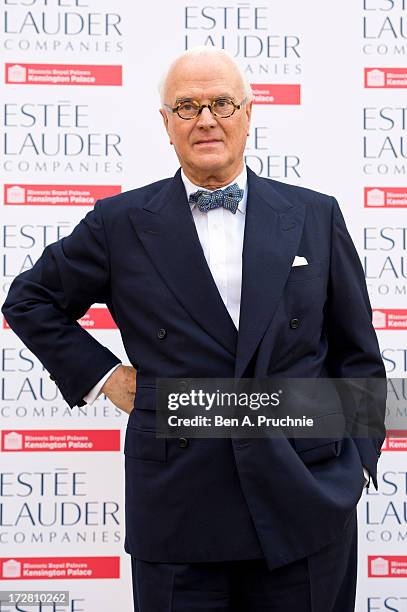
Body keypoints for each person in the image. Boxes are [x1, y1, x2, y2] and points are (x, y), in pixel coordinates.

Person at [2, 47, 386, 611]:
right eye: (187, 106)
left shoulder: (315, 215)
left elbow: (358, 354)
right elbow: (29, 299)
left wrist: (353, 462)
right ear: (166, 122)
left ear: (248, 112)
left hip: (305, 501)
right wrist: (104, 376)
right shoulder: (120, 223)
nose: (206, 119)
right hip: (179, 509)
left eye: (222, 103)